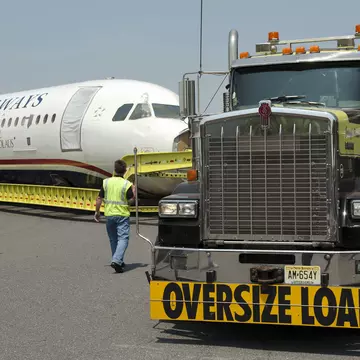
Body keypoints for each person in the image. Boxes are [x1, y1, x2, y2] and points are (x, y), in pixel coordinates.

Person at [94, 159, 135, 273]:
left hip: (109, 215)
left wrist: (97, 212)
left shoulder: (106, 182)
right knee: (123, 238)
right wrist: (134, 194)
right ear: (125, 171)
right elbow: (131, 201)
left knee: (113, 239)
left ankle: (118, 261)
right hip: (122, 215)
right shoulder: (127, 184)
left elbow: (99, 199)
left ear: (114, 170)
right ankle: (117, 260)